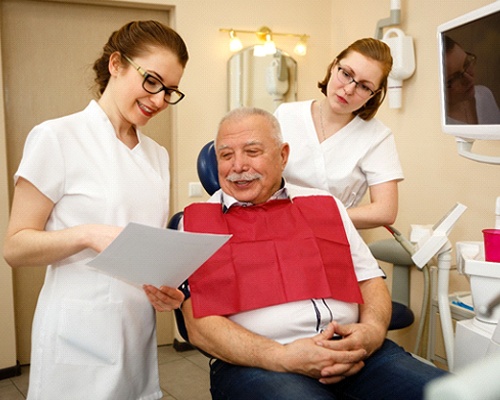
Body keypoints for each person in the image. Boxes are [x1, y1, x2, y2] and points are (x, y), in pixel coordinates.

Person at [178, 107, 447, 400]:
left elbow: (370, 280)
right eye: (226, 155)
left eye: (252, 151)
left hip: (356, 350)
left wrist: (370, 332)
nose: (238, 165)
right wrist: (282, 356)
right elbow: (199, 325)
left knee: (454, 393)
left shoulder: (325, 205)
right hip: (260, 362)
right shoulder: (197, 223)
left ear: (283, 155)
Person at [3, 20, 188, 400]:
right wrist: (88, 233)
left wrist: (166, 287)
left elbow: (140, 244)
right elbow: (15, 247)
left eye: (170, 91)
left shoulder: (157, 156)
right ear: (116, 64)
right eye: (151, 81)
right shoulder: (57, 137)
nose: (158, 100)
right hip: (77, 333)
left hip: (136, 328)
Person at [274, 38, 403, 229]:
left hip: (333, 234)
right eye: (346, 74)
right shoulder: (286, 115)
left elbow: (386, 210)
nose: (349, 89)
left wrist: (320, 217)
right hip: (277, 224)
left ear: (373, 95)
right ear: (334, 67)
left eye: (364, 86)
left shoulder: (377, 136)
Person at [443, 35, 500, 125]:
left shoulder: (484, 94)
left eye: (466, 64)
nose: (469, 79)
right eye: (453, 79)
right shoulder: (435, 123)